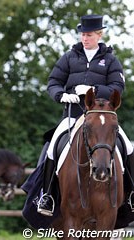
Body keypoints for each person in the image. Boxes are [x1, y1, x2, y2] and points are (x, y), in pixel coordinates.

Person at [37, 14, 134, 216]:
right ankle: (47, 196)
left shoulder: (110, 60)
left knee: (128, 146)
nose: (84, 38)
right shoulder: (69, 57)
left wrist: (93, 89)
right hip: (73, 114)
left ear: (99, 35)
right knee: (52, 148)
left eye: (89, 35)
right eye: (82, 34)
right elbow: (53, 82)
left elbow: (118, 87)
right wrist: (62, 95)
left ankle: (132, 195)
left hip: (102, 116)